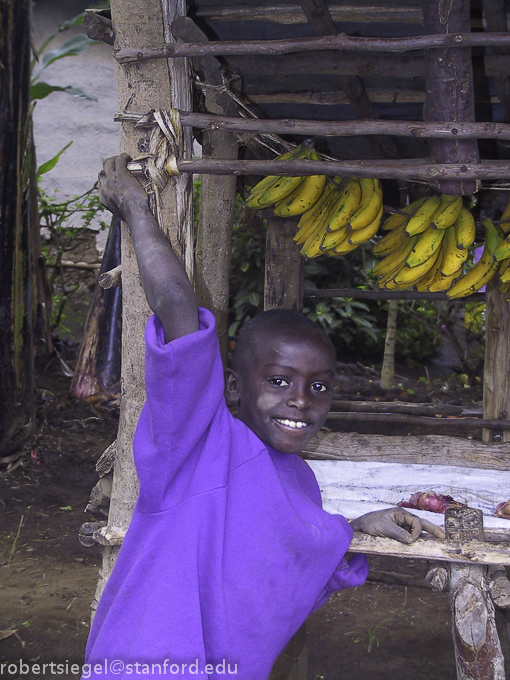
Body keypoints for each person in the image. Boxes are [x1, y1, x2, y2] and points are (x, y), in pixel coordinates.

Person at [84, 154, 445, 680]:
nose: (300, 398)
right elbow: (177, 308)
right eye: (279, 381)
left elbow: (285, 558)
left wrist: (359, 526)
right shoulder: (195, 439)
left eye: (318, 386)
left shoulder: (300, 483)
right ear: (234, 386)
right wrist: (136, 208)